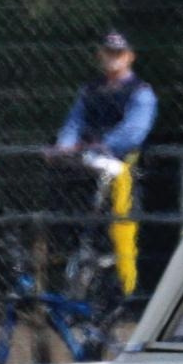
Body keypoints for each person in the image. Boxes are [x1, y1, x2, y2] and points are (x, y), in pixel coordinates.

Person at [48, 31, 158, 296]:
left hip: (122, 172)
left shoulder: (141, 93)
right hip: (85, 172)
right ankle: (72, 295)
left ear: (130, 57)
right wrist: (64, 148)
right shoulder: (89, 90)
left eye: (118, 53)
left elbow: (133, 133)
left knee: (121, 233)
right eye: (108, 52)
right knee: (74, 234)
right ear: (100, 55)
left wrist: (98, 147)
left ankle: (127, 294)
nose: (112, 58)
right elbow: (73, 124)